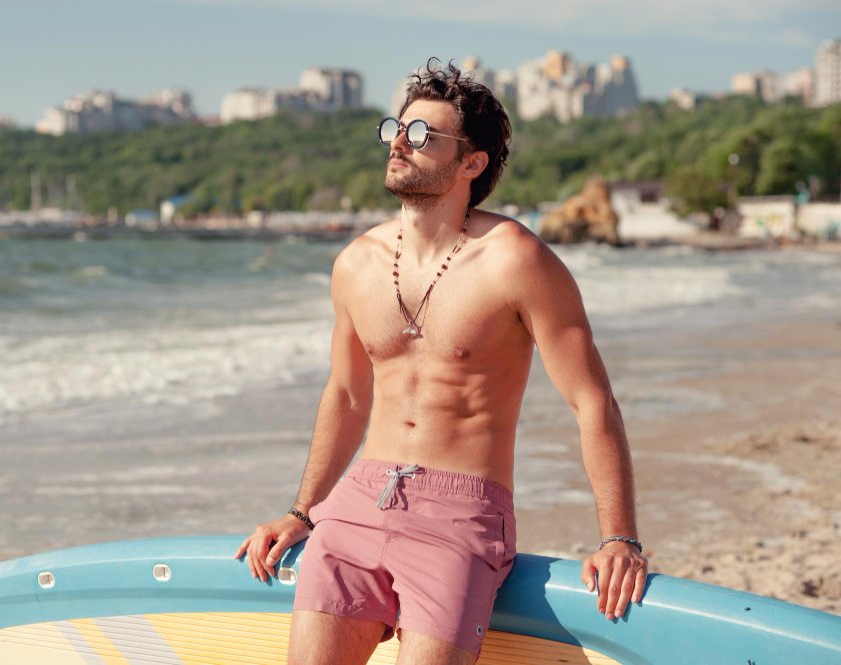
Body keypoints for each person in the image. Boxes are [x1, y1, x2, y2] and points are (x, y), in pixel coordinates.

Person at [235, 58, 648, 665]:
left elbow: (592, 402)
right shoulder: (356, 263)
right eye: (395, 129)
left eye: (424, 135)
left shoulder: (516, 261)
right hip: (356, 505)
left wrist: (619, 539)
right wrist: (302, 511)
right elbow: (347, 396)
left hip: (461, 516)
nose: (400, 142)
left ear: (472, 163)